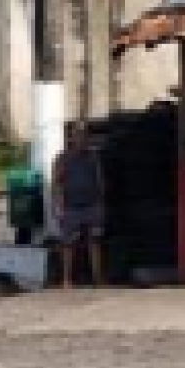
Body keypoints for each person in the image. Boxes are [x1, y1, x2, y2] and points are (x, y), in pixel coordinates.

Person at [50, 121, 108, 289]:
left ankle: (98, 279)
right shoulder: (61, 159)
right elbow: (56, 183)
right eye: (78, 135)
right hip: (71, 207)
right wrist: (58, 207)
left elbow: (100, 179)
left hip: (92, 206)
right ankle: (67, 280)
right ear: (70, 138)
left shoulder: (93, 157)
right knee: (68, 244)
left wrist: (100, 202)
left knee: (95, 241)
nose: (82, 138)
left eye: (84, 135)